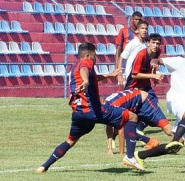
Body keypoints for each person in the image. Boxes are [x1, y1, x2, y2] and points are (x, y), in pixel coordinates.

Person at [34, 43, 176, 172]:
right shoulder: (86, 62)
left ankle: (44, 166)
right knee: (132, 117)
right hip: (93, 110)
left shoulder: (74, 68)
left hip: (78, 113)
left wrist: (108, 75)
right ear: (89, 55)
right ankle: (130, 156)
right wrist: (85, 81)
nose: (95, 59)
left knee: (70, 141)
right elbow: (85, 69)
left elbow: (90, 76)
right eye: (95, 55)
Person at [106, 11, 143, 153]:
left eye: (139, 19)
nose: (137, 21)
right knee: (119, 103)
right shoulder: (124, 32)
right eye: (135, 19)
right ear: (131, 20)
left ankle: (120, 133)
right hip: (125, 73)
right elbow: (119, 51)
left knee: (134, 105)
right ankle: (114, 137)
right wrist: (118, 70)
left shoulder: (142, 35)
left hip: (136, 74)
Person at [104, 89, 174, 155]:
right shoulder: (105, 106)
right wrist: (110, 149)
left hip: (145, 102)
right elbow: (109, 126)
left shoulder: (112, 107)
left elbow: (121, 131)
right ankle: (151, 142)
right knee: (125, 129)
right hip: (135, 107)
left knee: (168, 131)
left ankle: (181, 135)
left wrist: (121, 154)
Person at [124, 33, 164, 135]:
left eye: (158, 43)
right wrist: (153, 76)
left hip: (146, 86)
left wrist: (154, 73)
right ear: (148, 43)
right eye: (153, 42)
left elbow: (152, 66)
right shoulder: (141, 54)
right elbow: (134, 75)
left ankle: (139, 127)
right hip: (133, 86)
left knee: (155, 107)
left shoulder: (157, 52)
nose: (155, 45)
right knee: (128, 112)